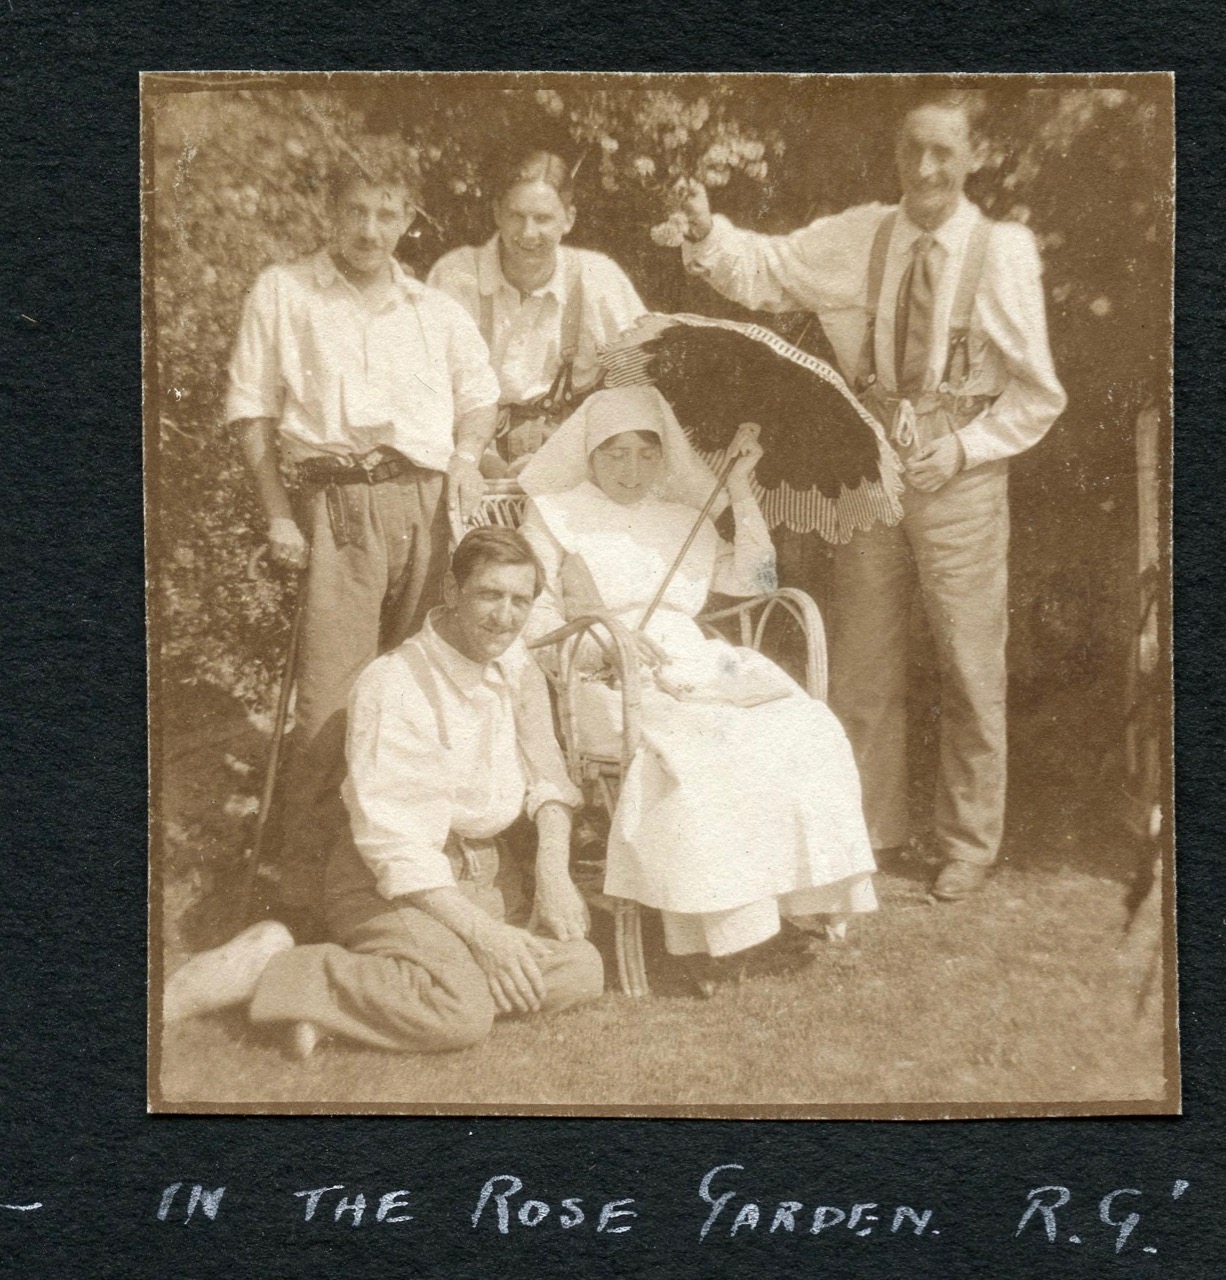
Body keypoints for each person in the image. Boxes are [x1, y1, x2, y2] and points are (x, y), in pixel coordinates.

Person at [670, 88, 1067, 901]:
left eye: (944, 151)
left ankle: (968, 841)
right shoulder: (865, 234)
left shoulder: (1001, 250)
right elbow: (767, 268)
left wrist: (965, 448)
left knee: (968, 662)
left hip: (960, 475)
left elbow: (1039, 394)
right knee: (861, 659)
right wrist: (708, 231)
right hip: (874, 470)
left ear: (976, 157)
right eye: (912, 148)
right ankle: (867, 830)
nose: (925, 167)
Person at [163, 528, 604, 1055]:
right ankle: (278, 967)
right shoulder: (395, 682)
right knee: (459, 1013)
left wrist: (553, 873)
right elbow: (394, 846)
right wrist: (486, 937)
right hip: (389, 882)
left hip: (481, 876)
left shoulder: (516, 665)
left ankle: (361, 998)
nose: (504, 617)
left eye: (520, 600)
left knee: (582, 968)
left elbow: (548, 776)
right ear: (452, 590)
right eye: (489, 594)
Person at [517, 386, 877, 990]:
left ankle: (797, 900)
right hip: (603, 671)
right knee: (707, 745)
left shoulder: (682, 516)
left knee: (806, 724)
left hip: (694, 658)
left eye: (646, 454)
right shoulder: (554, 513)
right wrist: (607, 642)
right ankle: (720, 930)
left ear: (665, 456)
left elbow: (756, 579)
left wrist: (738, 488)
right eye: (615, 454)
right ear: (589, 453)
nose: (632, 470)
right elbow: (533, 618)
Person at [225, 146, 501, 910]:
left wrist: (467, 457)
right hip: (338, 508)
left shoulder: (436, 311)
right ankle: (310, 894)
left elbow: (480, 394)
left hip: (427, 508)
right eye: (355, 211)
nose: (369, 230)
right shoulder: (284, 292)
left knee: (430, 688)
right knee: (331, 705)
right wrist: (278, 515)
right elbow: (251, 410)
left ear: (409, 218)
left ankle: (417, 879)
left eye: (386, 213)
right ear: (330, 211)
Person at [427, 149, 646, 470]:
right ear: (497, 213)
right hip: (469, 453)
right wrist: (476, 458)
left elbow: (640, 384)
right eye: (516, 216)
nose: (528, 233)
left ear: (568, 219)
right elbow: (427, 386)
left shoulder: (599, 278)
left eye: (543, 218)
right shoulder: (455, 276)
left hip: (572, 456)